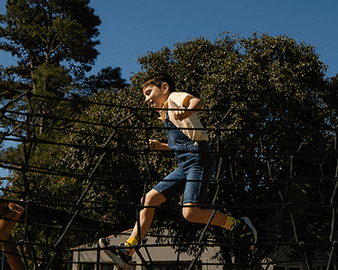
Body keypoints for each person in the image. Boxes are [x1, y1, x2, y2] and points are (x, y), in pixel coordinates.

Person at [100, 73, 257, 269]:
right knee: (149, 200)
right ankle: (127, 251)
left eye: (149, 92)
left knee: (190, 212)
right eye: (144, 96)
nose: (147, 99)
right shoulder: (164, 113)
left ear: (164, 88)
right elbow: (182, 144)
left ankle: (238, 225)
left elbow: (197, 102)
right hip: (185, 164)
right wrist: (162, 146)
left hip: (199, 159)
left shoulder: (174, 98)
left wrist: (188, 111)